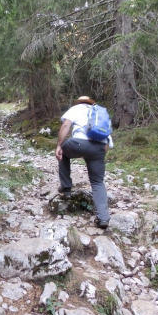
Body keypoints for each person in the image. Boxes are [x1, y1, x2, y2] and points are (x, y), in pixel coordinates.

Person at [55, 96, 114, 229]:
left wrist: (59, 145)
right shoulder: (100, 113)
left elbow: (66, 125)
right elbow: (107, 139)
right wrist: (97, 155)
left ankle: (66, 187)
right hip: (100, 147)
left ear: (79, 102)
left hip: (78, 143)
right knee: (97, 182)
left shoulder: (76, 108)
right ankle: (103, 218)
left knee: (63, 153)